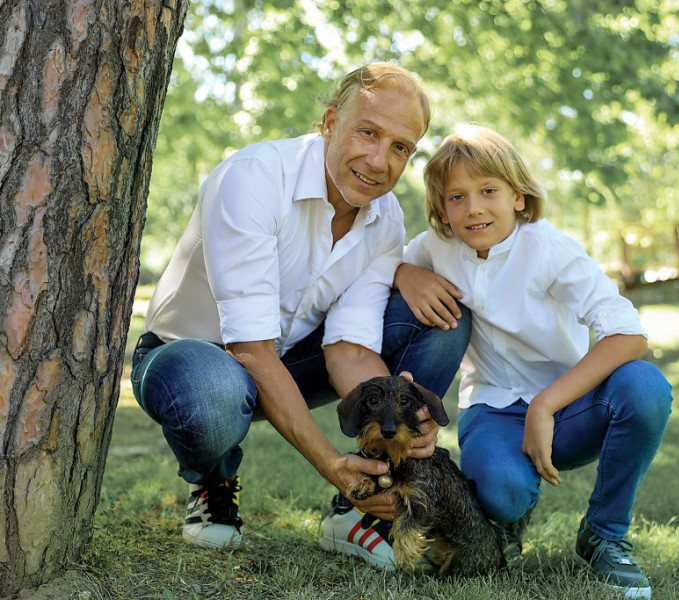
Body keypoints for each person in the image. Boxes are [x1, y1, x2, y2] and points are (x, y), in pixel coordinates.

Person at [130, 63, 470, 569]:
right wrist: (332, 463)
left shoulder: (385, 220)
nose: (379, 161)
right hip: (192, 359)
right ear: (331, 122)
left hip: (292, 358)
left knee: (442, 318)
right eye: (368, 132)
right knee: (214, 388)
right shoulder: (255, 177)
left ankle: (362, 501)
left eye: (401, 147)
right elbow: (249, 350)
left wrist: (397, 419)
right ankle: (214, 481)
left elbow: (350, 349)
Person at [394, 124, 672, 598]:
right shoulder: (434, 247)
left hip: (569, 410)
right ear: (441, 209)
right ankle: (509, 517)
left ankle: (604, 534)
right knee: (502, 494)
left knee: (645, 387)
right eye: (457, 197)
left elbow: (629, 335)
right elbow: (379, 266)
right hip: (492, 407)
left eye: (488, 191)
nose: (473, 208)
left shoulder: (549, 248)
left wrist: (545, 405)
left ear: (518, 197)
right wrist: (405, 274)